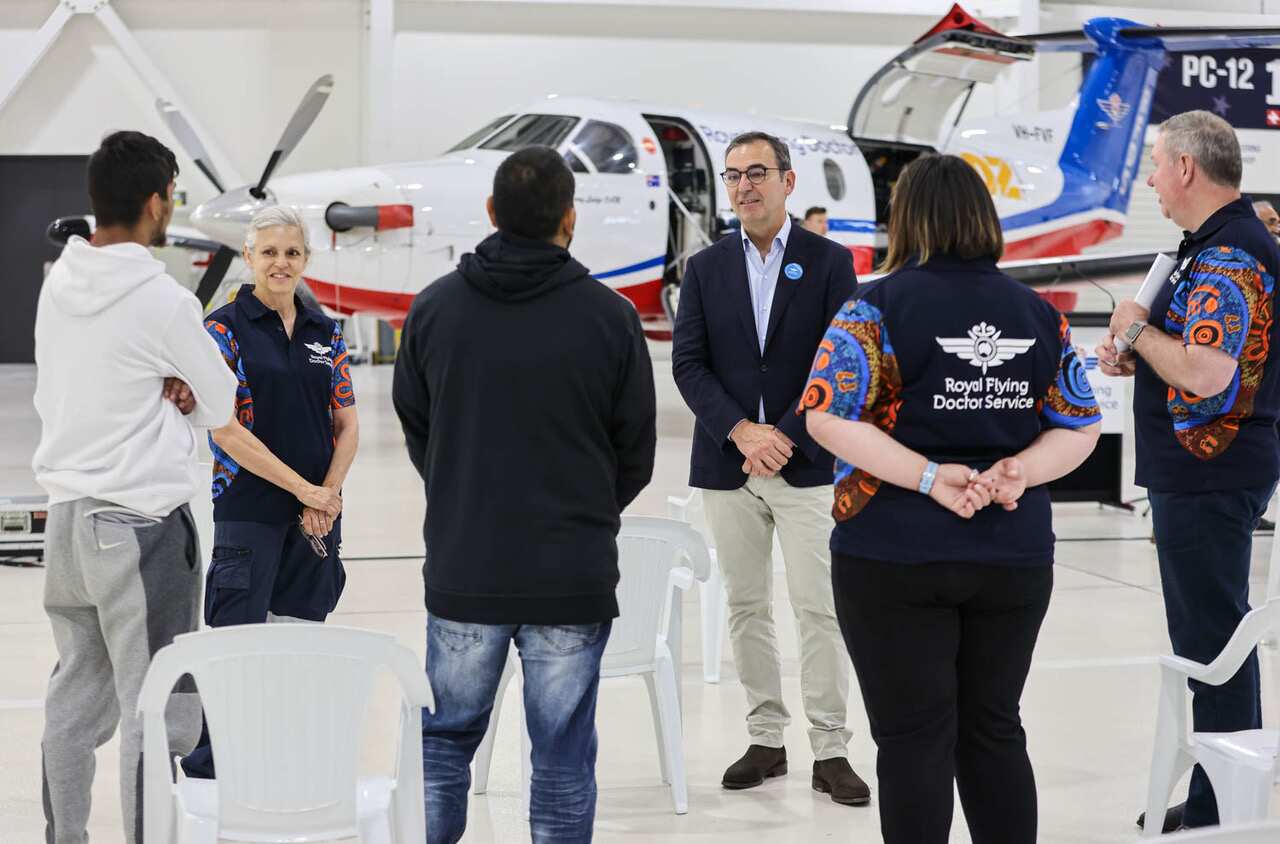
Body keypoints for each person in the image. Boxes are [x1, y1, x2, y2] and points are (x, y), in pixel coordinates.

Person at [803, 153, 1101, 844]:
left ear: (907, 218)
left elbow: (825, 415)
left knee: (913, 739)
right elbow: (1079, 424)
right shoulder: (1038, 313)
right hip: (1012, 552)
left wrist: (932, 478)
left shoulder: (872, 308)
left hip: (892, 551)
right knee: (994, 728)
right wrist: (1017, 472)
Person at [393, 146, 656, 844]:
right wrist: (584, 512)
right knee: (563, 758)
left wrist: (463, 492)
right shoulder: (611, 317)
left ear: (490, 214)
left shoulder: (434, 310)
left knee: (443, 744)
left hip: (464, 567)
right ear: (571, 220)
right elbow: (637, 454)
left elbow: (421, 432)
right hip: (571, 574)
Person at [33, 130, 238, 844]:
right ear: (156, 203)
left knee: (74, 700)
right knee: (158, 710)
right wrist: (172, 383)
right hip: (142, 527)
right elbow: (220, 401)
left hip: (67, 519)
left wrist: (154, 381)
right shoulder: (164, 301)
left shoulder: (59, 282)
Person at [1096, 110, 1280, 833]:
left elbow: (1204, 373)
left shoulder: (1232, 255)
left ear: (1186, 169)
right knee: (1207, 639)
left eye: (1154, 164)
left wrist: (1136, 329)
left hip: (1211, 473)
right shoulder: (1206, 246)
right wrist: (1138, 348)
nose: (1149, 179)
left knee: (1214, 643)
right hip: (1202, 472)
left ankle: (1221, 810)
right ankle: (1217, 797)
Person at [671, 131, 867, 804]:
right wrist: (742, 431)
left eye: (757, 173)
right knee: (747, 606)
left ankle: (831, 746)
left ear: (787, 181)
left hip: (806, 462)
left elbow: (841, 361)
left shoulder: (829, 262)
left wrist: (780, 434)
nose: (744, 185)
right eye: (733, 176)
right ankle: (765, 737)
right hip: (729, 464)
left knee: (819, 608)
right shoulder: (705, 268)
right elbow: (688, 364)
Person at [180, 204, 355, 779]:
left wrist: (324, 496)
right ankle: (214, 772)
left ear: (306, 260)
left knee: (299, 643)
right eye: (270, 252)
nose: (281, 262)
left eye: (293, 252)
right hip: (249, 512)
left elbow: (347, 424)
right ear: (250, 256)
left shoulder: (325, 332)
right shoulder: (222, 329)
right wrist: (306, 489)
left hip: (315, 518)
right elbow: (225, 429)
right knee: (235, 646)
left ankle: (286, 763)